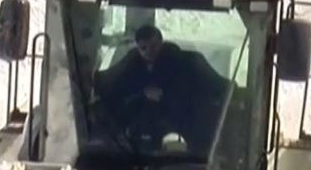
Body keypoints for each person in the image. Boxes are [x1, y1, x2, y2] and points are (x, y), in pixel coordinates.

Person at [95, 23, 228, 149]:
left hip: (183, 136)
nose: (149, 52)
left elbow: (215, 88)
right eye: (143, 48)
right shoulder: (129, 68)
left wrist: (165, 96)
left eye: (153, 46)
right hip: (134, 145)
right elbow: (109, 89)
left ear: (161, 43)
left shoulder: (185, 65)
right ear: (137, 48)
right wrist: (142, 94)